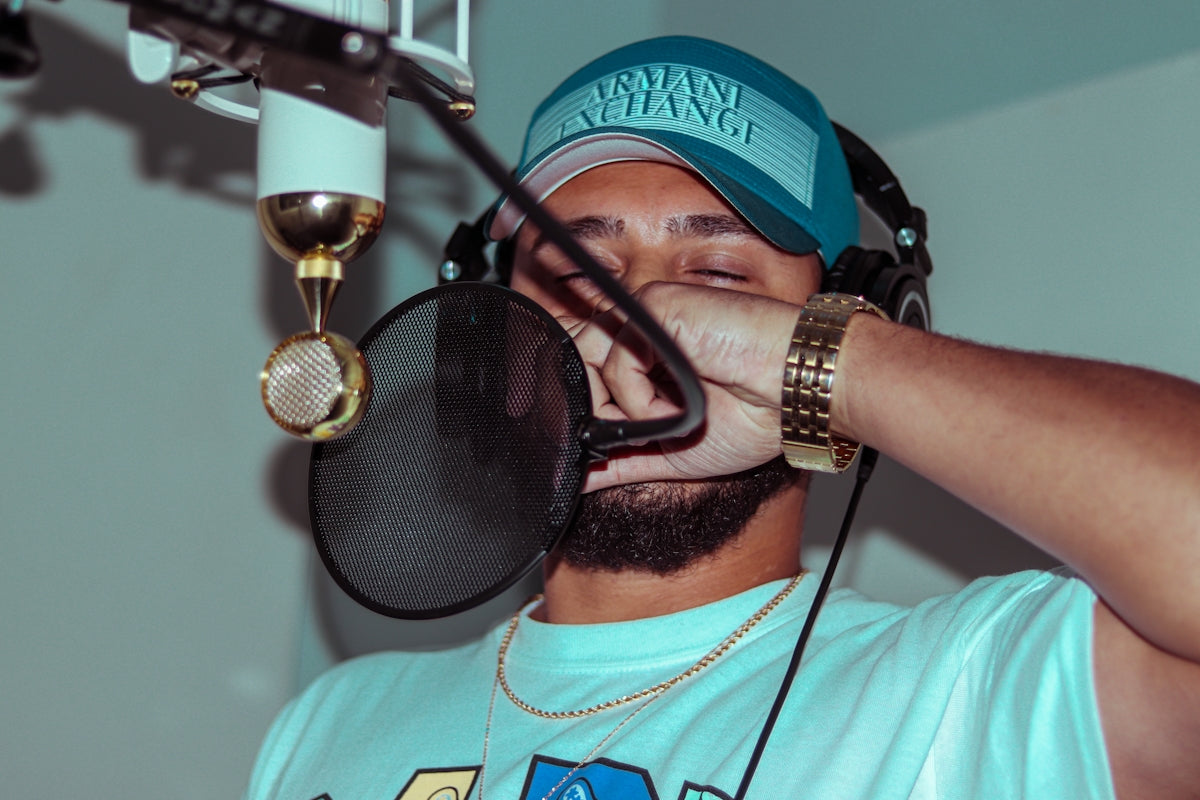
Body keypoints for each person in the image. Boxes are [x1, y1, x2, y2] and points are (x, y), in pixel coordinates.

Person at [243, 36, 1200, 800]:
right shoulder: (328, 726)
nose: (638, 329)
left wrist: (816, 365)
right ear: (489, 356)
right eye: (578, 278)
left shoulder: (972, 688)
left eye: (717, 280)